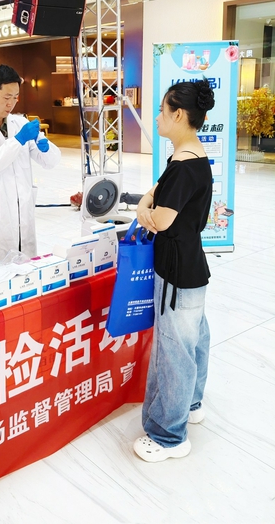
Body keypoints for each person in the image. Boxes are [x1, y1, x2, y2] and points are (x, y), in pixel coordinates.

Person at [133, 77, 215, 463]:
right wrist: (147, 200)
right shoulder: (190, 155)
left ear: (178, 114)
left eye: (162, 110)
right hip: (192, 266)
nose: (157, 117)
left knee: (174, 351)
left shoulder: (183, 166)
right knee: (194, 339)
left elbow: (161, 220)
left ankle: (168, 436)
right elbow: (157, 190)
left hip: (176, 272)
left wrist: (143, 210)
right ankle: (191, 404)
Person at [0, 64, 61, 260]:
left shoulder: (19, 123)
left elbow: (51, 162)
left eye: (15, 97)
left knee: (27, 269)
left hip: (23, 215)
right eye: (7, 97)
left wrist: (46, 148)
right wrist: (18, 140)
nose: (11, 103)